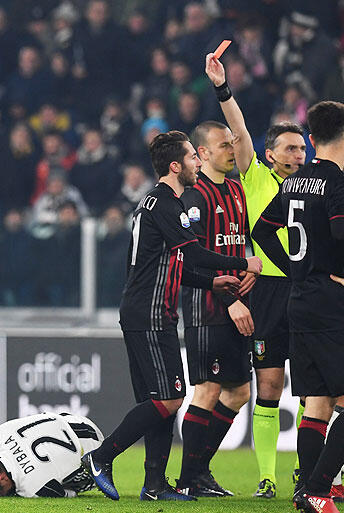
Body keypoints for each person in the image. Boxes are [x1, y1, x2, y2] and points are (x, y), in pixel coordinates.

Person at [82, 130, 262, 502]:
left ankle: (154, 485)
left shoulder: (156, 202)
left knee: (160, 402)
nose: (198, 162)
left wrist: (211, 283)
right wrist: (243, 262)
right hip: (150, 313)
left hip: (148, 310)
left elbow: (177, 264)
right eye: (193, 157)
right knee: (170, 399)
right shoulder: (165, 203)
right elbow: (194, 254)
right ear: (176, 166)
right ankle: (101, 457)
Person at [206, 52, 308, 498]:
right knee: (269, 385)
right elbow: (241, 131)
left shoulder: (316, 184)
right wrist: (222, 88)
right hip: (266, 291)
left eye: (302, 148)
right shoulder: (256, 177)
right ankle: (267, 478)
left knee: (313, 390)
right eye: (290, 148)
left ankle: (307, 473)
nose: (298, 155)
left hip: (308, 289)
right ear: (270, 154)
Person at [252, 100, 344, 513]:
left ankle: (306, 490)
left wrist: (294, 269)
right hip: (329, 299)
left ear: (312, 138)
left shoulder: (293, 183)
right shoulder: (337, 182)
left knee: (318, 401)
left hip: (299, 298)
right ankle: (318, 488)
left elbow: (261, 231)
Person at [175, 120, 254, 497]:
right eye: (224, 145)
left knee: (238, 393)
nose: (232, 150)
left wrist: (250, 270)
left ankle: (198, 472)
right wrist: (231, 300)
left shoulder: (237, 189)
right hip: (207, 308)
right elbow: (194, 260)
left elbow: (243, 242)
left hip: (237, 303)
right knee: (207, 390)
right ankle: (188, 480)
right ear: (203, 153)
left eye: (233, 143)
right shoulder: (195, 195)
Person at [0, 412, 104, 498]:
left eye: (0, 493)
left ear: (2, 478)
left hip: (95, 450)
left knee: (70, 481)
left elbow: (66, 494)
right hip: (77, 420)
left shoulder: (33, 489)